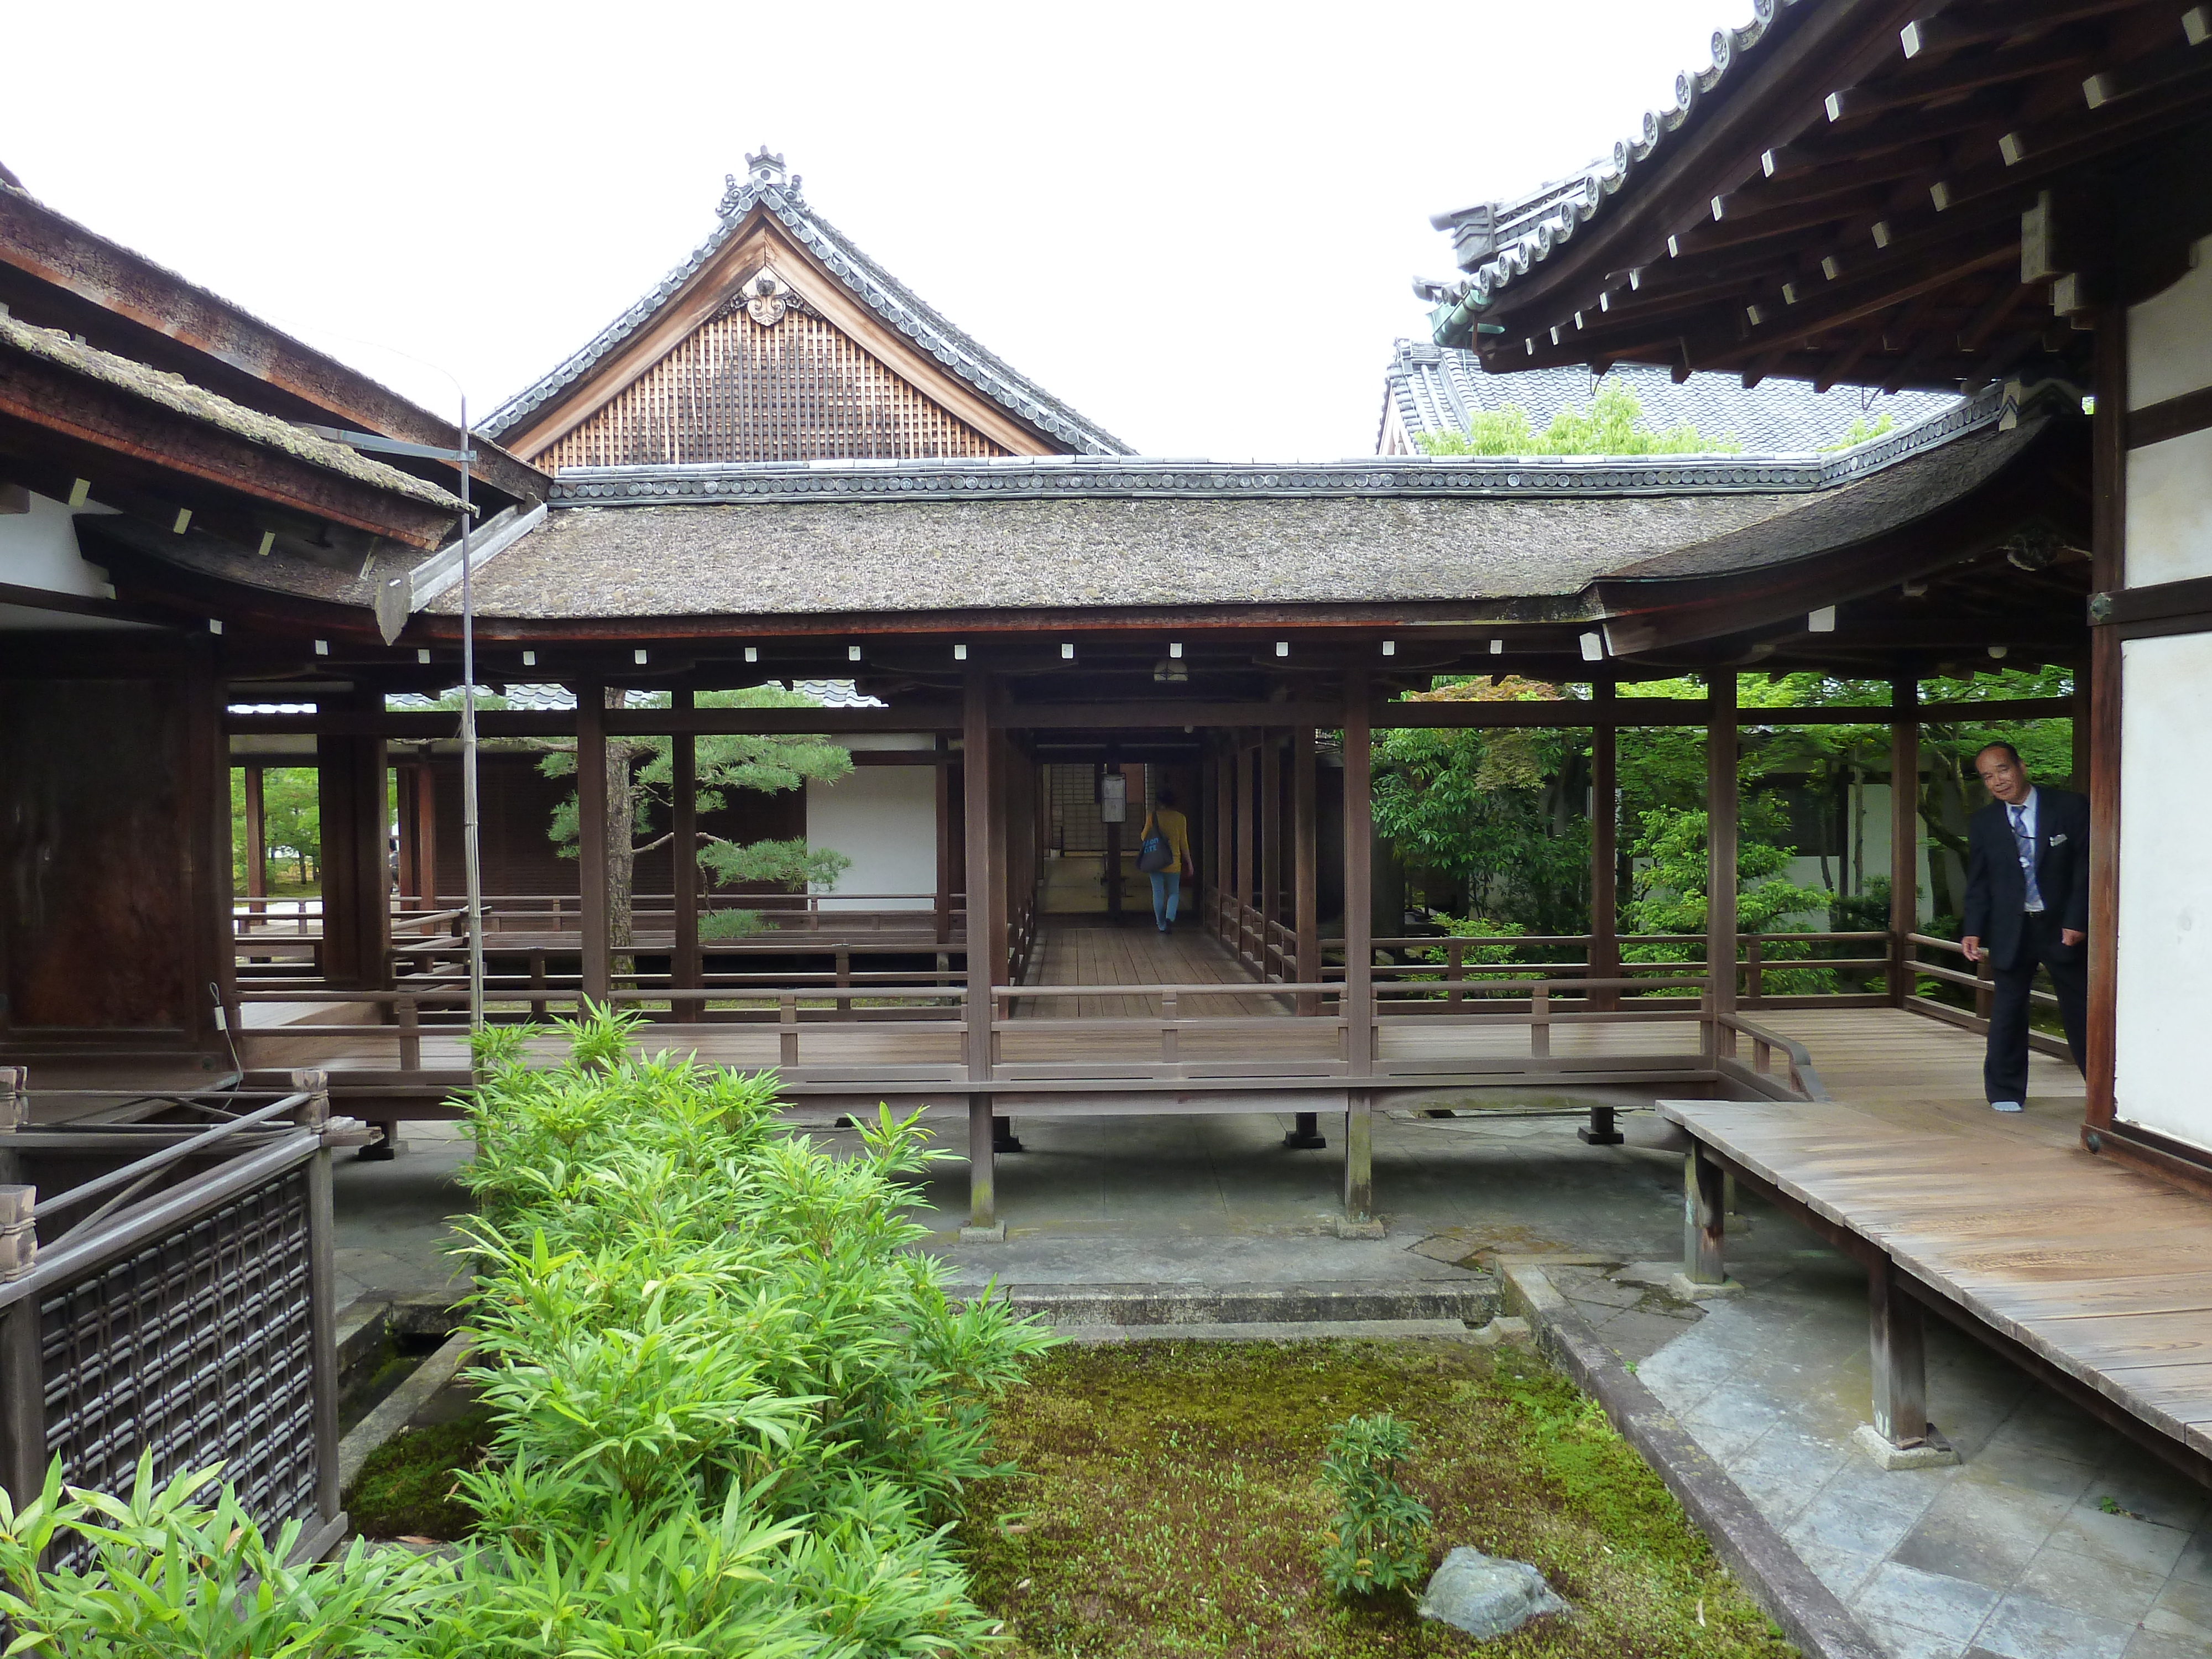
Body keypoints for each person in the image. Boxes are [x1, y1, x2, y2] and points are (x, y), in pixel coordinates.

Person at [1960, 740, 2089, 1112]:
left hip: (2063, 927)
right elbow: (1980, 881)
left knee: (2081, 1010)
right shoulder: (1984, 822)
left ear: (2021, 765)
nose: (1998, 781)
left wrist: (2077, 919)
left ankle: (2102, 1091)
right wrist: (1973, 929)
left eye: (2002, 769)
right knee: (2007, 1012)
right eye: (1988, 776)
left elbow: (2088, 866)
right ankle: (2004, 1092)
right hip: (2010, 928)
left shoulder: (2069, 807)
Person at [1140, 789, 1194, 933]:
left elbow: (1144, 837)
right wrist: (1189, 862)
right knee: (1174, 893)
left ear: (1159, 802)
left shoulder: (1153, 817)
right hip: (1174, 862)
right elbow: (1184, 843)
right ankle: (1170, 917)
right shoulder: (1181, 818)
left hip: (1155, 861)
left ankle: (1161, 924)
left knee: (1158, 893)